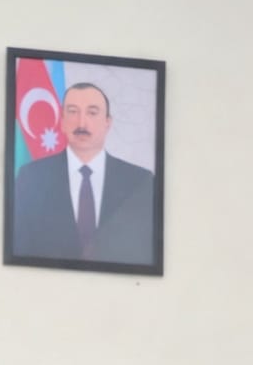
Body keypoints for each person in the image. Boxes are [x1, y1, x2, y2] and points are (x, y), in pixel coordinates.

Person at [11, 82, 155, 265]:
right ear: (62, 121)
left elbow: (143, 252)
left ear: (107, 123)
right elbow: (20, 250)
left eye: (92, 113)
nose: (81, 123)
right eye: (72, 112)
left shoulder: (140, 182)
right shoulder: (32, 178)